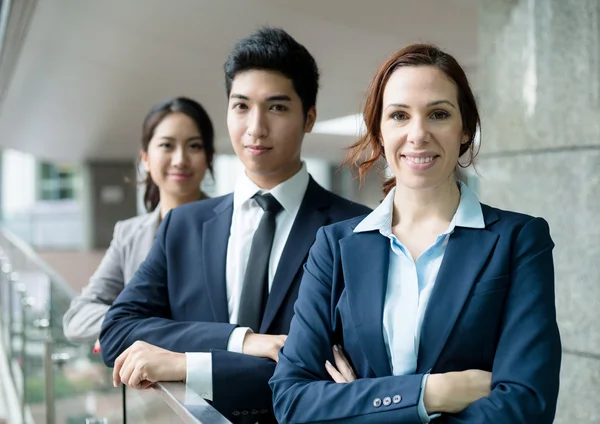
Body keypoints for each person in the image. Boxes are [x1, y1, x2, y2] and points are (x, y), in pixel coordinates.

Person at [270, 44, 561, 423]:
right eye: (399, 116)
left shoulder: (520, 240)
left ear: (465, 130)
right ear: (378, 131)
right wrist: (429, 393)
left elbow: (527, 405)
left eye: (438, 114)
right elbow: (292, 400)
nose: (418, 133)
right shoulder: (335, 247)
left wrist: (360, 403)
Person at [98, 27, 371, 422]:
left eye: (276, 107)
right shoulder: (184, 226)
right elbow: (117, 331)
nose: (255, 128)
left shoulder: (355, 229)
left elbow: (340, 369)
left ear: (308, 117)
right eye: (241, 106)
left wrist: (185, 364)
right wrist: (239, 341)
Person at [63, 97, 215, 344]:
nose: (180, 160)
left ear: (208, 157)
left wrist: (127, 327)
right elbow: (77, 318)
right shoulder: (129, 234)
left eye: (194, 146)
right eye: (167, 145)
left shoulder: (234, 226)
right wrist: (148, 328)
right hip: (144, 381)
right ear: (145, 158)